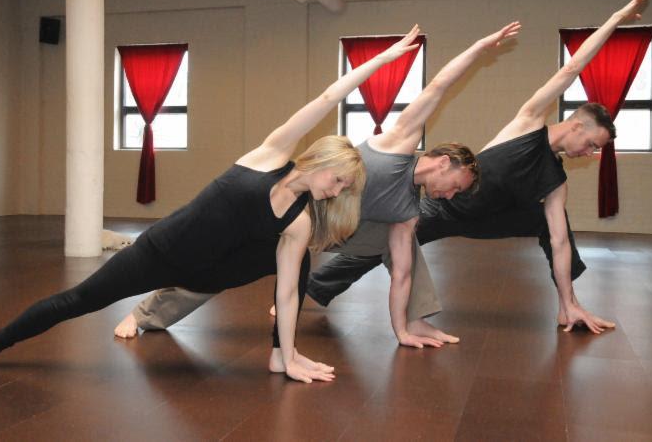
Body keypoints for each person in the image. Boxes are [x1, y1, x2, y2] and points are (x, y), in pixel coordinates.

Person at [0, 26, 424, 384]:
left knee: (297, 267)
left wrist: (291, 344)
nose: (337, 190)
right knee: (77, 301)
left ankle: (283, 355)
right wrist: (383, 59)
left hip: (211, 274)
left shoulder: (299, 222)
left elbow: (284, 296)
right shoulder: (269, 156)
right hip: (160, 252)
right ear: (320, 161)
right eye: (339, 180)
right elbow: (327, 97)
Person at [114, 21, 522, 348]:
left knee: (406, 247)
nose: (451, 196)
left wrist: (400, 331)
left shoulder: (408, 209)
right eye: (456, 185)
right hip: (303, 217)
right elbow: (437, 88)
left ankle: (415, 321)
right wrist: (480, 48)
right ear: (444, 162)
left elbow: (401, 275)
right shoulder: (399, 145)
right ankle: (145, 313)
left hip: (344, 231)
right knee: (224, 264)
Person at [308, 0, 652, 334]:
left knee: (554, 223)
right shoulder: (528, 123)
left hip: (494, 218)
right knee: (389, 242)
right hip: (448, 208)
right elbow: (571, 69)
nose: (590, 153)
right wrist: (617, 18)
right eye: (593, 144)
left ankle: (569, 306)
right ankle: (312, 288)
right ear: (578, 126)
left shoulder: (556, 180)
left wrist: (568, 301)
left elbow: (560, 242)